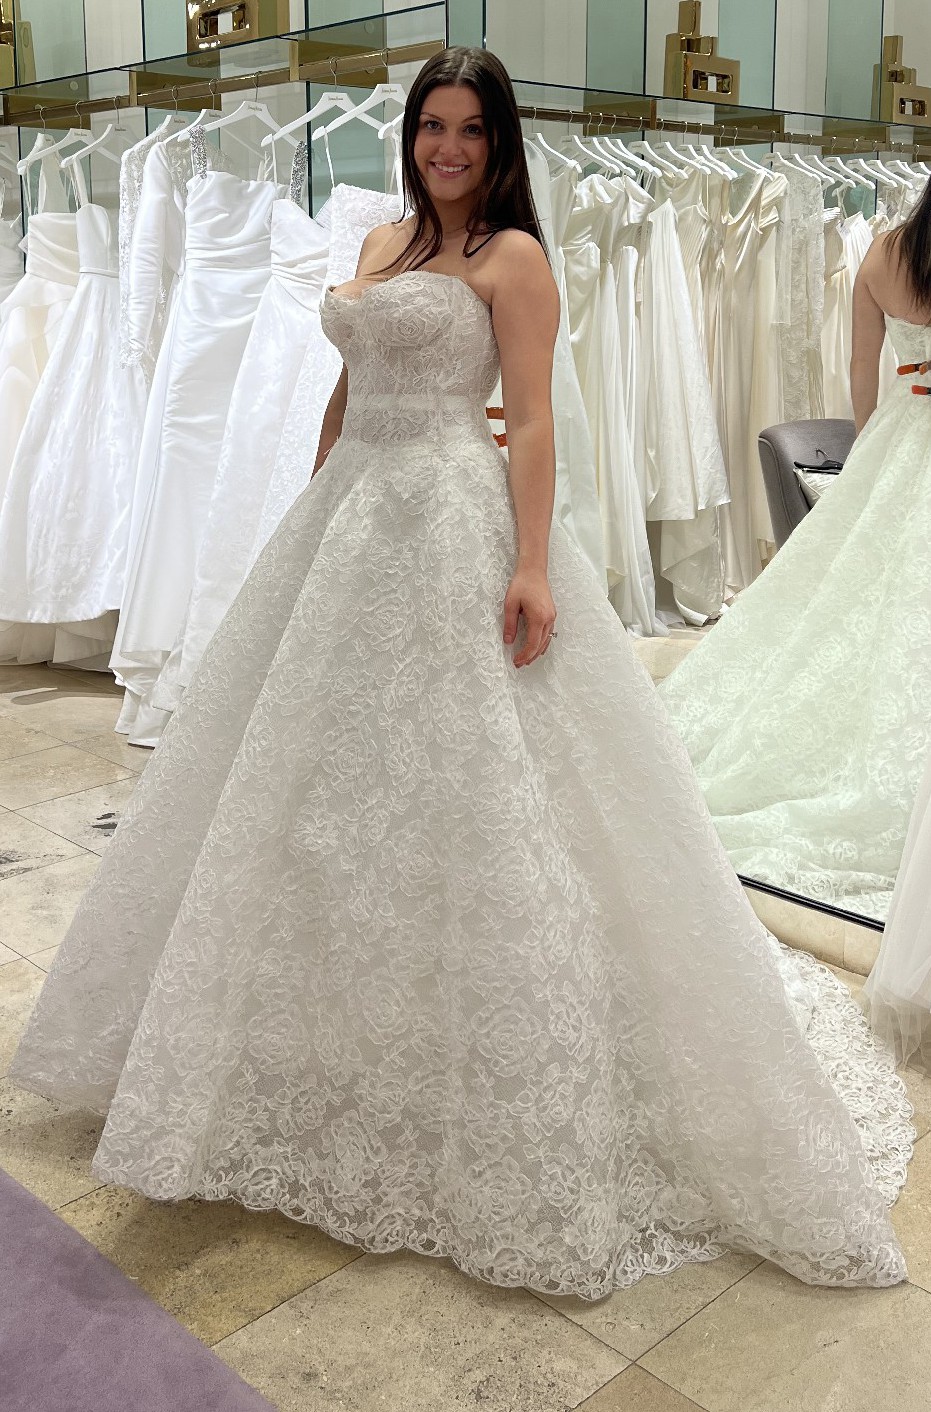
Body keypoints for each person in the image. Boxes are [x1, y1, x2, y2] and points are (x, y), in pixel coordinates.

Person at [11, 48, 912, 1299]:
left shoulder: (514, 258)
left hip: (448, 515)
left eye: (469, 130)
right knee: (309, 792)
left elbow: (529, 419)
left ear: (498, 145)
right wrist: (313, 500)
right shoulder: (382, 245)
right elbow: (347, 389)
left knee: (476, 777)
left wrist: (532, 562)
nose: (446, 148)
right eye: (431, 126)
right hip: (349, 519)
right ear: (411, 137)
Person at [659, 181, 931, 922]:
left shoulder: (883, 254)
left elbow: (861, 376)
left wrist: (872, 453)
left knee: (859, 604)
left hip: (899, 432)